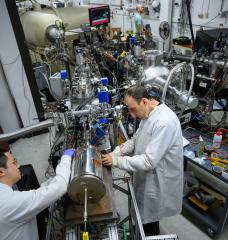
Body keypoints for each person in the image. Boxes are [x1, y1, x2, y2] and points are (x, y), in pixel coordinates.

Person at [102, 86, 183, 236]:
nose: (132, 115)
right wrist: (116, 152)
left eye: (133, 109)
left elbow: (148, 161)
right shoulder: (148, 115)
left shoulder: (164, 122)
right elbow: (135, 140)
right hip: (146, 176)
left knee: (149, 220)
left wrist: (116, 161)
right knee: (143, 216)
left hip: (158, 180)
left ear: (145, 101)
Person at [0, 148, 75, 240]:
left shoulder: (5, 195)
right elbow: (60, 186)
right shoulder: (7, 202)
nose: (18, 165)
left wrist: (55, 180)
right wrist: (66, 158)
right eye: (14, 162)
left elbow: (37, 194)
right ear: (1, 172)